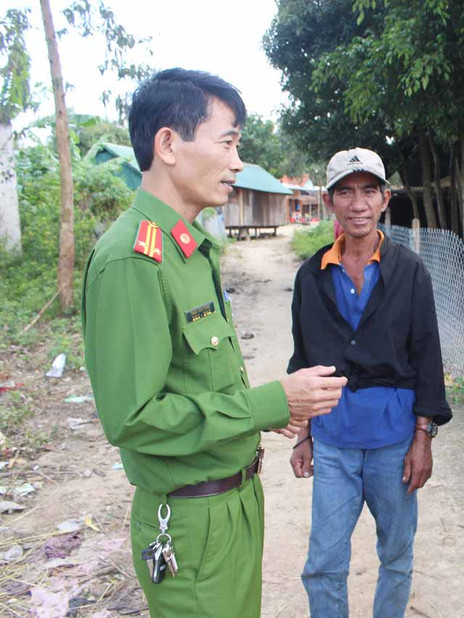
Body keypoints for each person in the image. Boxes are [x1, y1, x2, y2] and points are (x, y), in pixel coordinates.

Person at [83, 68, 347, 617]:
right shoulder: (134, 259)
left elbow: (198, 379)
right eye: (226, 142)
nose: (237, 162)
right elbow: (132, 417)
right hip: (189, 520)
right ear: (169, 145)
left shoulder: (190, 250)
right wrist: (272, 402)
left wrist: (264, 414)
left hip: (233, 504)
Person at [287, 147, 452, 618]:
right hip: (334, 441)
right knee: (323, 564)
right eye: (345, 192)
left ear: (385, 199)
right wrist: (303, 434)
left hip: (394, 444)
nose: (357, 204)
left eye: (367, 191)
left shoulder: (409, 271)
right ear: (329, 200)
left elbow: (427, 356)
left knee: (396, 557)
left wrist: (423, 437)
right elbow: (302, 358)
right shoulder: (311, 275)